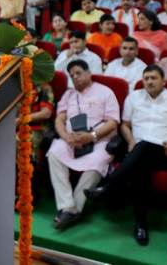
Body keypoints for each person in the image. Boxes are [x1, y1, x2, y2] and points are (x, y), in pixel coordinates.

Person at [85, 65, 167, 245]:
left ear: (163, 81)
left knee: (144, 149)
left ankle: (109, 186)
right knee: (141, 166)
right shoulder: (133, 97)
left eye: (153, 78)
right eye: (146, 78)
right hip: (137, 150)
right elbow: (125, 125)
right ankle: (141, 224)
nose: (149, 81)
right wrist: (131, 141)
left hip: (165, 151)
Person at [47, 60, 120, 230]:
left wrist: (92, 136)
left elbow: (112, 123)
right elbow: (59, 119)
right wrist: (65, 137)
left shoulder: (105, 92)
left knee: (98, 161)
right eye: (72, 76)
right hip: (71, 141)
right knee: (55, 152)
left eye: (78, 73)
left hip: (98, 141)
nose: (75, 78)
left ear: (89, 73)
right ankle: (67, 205)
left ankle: (74, 208)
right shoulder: (69, 94)